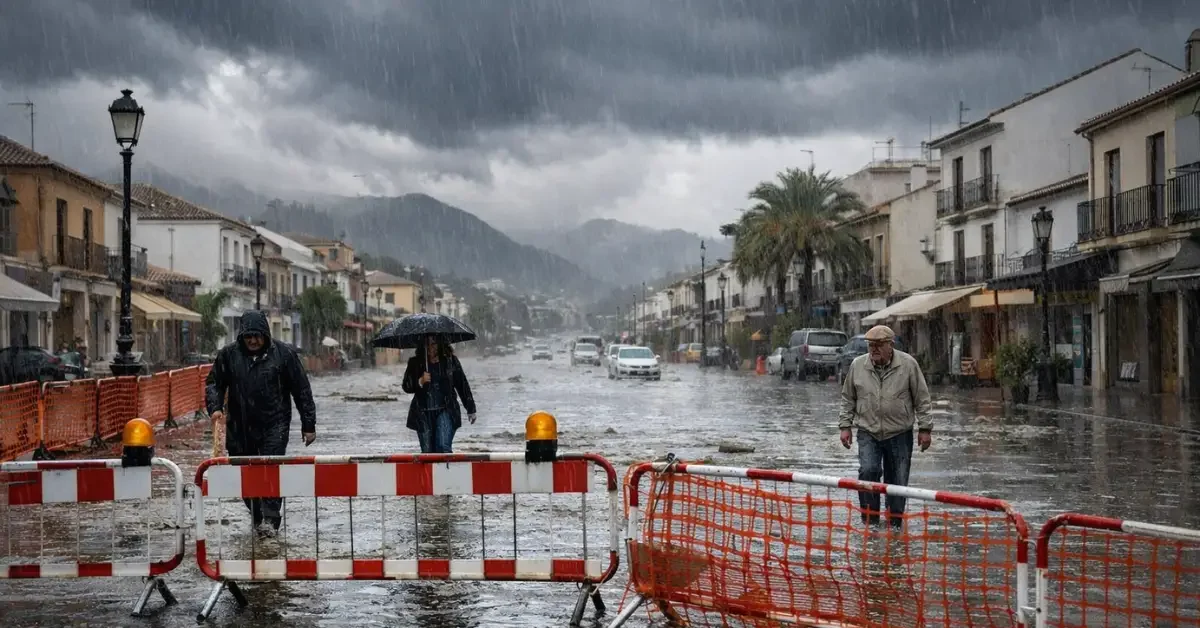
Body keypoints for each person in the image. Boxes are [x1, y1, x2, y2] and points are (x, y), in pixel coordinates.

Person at [205, 310, 317, 535]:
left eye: (257, 336)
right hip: (239, 426)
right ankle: (257, 514)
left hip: (274, 423)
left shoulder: (284, 354)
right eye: (249, 337)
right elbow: (214, 384)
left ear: (265, 335)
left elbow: (301, 390)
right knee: (245, 473)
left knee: (270, 468)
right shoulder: (228, 355)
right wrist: (215, 408)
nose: (253, 341)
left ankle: (271, 519)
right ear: (242, 336)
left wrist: (308, 424)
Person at [838, 324, 932, 529]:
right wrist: (845, 426)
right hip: (868, 431)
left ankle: (895, 523)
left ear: (891, 345)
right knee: (868, 471)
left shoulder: (908, 365)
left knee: (897, 479)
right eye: (871, 345)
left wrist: (925, 429)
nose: (874, 349)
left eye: (879, 345)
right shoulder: (858, 365)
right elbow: (848, 399)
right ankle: (870, 520)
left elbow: (922, 399)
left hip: (900, 432)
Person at [401, 336, 476, 453]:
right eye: (428, 344)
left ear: (441, 345)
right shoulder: (415, 363)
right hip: (422, 413)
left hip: (446, 410)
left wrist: (470, 408)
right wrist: (420, 381)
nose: (431, 348)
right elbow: (406, 386)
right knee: (427, 452)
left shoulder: (451, 361)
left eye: (434, 344)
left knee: (442, 447)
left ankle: (445, 470)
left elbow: (462, 384)